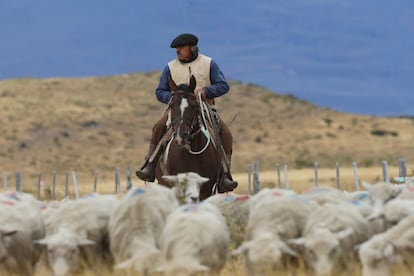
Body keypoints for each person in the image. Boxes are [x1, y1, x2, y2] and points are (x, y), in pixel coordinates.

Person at [135, 33, 238, 192]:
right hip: (177, 109)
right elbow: (160, 91)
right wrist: (175, 98)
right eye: (176, 48)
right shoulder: (170, 67)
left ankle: (224, 175)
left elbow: (223, 85)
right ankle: (149, 165)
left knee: (226, 134)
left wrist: (205, 91)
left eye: (181, 47)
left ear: (192, 48)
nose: (178, 50)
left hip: (203, 107)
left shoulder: (208, 63)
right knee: (158, 127)